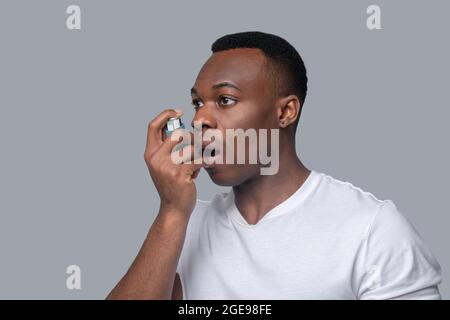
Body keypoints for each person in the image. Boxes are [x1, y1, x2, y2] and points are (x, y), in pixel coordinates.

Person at [107, 31, 442, 300]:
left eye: (225, 100)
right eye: (197, 103)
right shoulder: (185, 225)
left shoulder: (372, 228)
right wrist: (172, 211)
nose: (200, 119)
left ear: (285, 112)